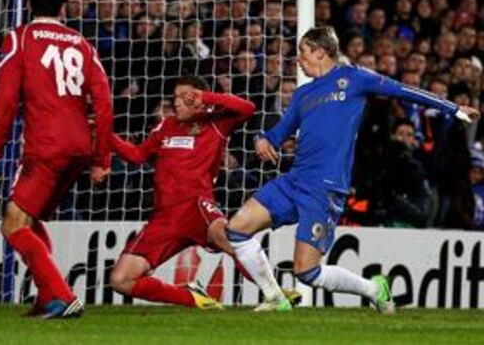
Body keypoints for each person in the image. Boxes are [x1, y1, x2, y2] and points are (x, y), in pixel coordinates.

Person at [226, 26, 479, 311]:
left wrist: (453, 108)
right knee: (236, 229)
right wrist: (262, 139)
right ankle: (274, 296)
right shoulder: (302, 94)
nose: (298, 60)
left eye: (302, 52)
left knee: (306, 272)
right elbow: (278, 133)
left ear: (320, 51)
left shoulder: (353, 78)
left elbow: (403, 90)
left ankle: (373, 288)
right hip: (294, 180)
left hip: (324, 188)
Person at [0, 0, 113, 319]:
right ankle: (46, 298)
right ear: (63, 8)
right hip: (80, 149)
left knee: (13, 225)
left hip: (46, 147)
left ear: (28, 4)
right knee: (31, 219)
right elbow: (103, 101)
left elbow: (6, 100)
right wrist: (101, 158)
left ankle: (62, 296)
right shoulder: (82, 43)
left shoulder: (19, 39)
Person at [109, 76, 302, 309]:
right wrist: (106, 136)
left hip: (196, 206)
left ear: (199, 100)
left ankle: (275, 293)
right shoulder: (166, 125)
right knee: (121, 280)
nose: (177, 102)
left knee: (229, 237)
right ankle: (192, 298)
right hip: (164, 218)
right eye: (176, 97)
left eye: (185, 97)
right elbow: (137, 155)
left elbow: (247, 108)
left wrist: (206, 97)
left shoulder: (215, 123)